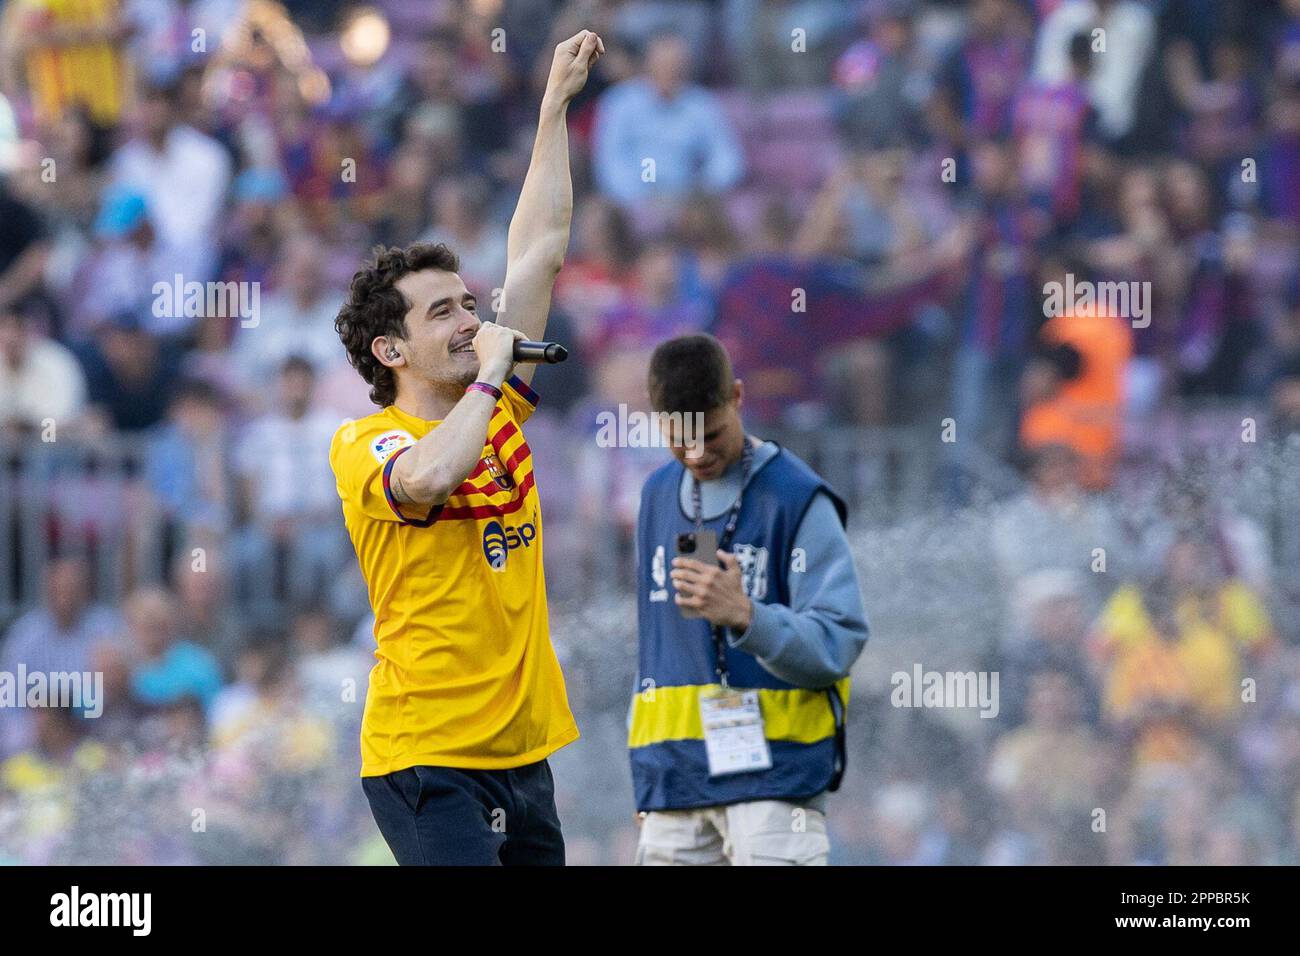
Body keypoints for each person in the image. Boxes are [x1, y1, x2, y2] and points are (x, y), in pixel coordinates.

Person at [328, 30, 603, 866]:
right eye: (441, 313)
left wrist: (552, 107)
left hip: (523, 755)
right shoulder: (365, 440)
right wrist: (490, 378)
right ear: (390, 351)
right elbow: (432, 476)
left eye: (468, 304)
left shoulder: (497, 406)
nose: (471, 321)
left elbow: (540, 250)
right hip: (427, 756)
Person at [629, 333, 869, 865]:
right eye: (678, 438)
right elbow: (652, 651)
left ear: (737, 397)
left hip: (776, 782)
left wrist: (746, 616)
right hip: (673, 784)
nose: (696, 453)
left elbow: (840, 640)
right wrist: (645, 775)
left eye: (711, 434)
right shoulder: (654, 496)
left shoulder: (797, 497)